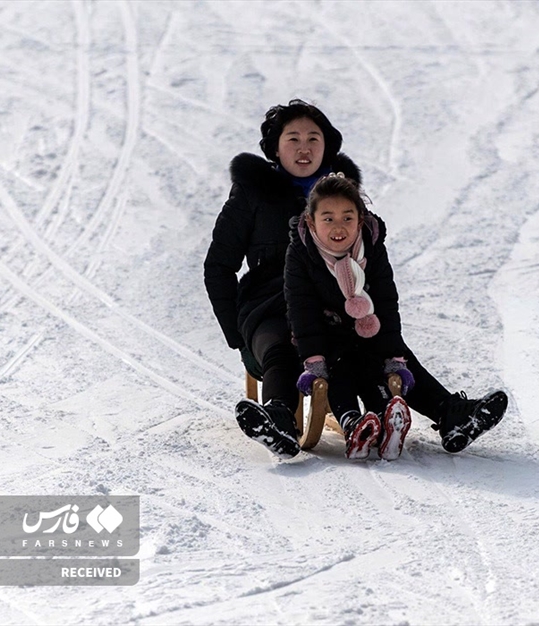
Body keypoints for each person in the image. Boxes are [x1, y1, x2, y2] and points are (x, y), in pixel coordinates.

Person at [203, 99, 507, 459]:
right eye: (293, 139)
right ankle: (279, 419)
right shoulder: (252, 195)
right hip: (268, 306)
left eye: (313, 139)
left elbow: (369, 256)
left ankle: (448, 413)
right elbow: (218, 266)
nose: (304, 148)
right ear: (275, 147)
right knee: (282, 346)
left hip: (336, 301)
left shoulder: (344, 199)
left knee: (378, 340)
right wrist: (236, 335)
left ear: (327, 146)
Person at [284, 173, 413, 460]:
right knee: (338, 370)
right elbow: (301, 309)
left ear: (360, 219)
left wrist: (394, 356)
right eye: (328, 218)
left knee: (372, 368)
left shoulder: (371, 249)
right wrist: (313, 359)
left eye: (347, 217)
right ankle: (354, 425)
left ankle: (387, 421)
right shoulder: (302, 254)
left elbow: (387, 302)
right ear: (311, 222)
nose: (338, 227)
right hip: (326, 342)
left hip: (364, 337)